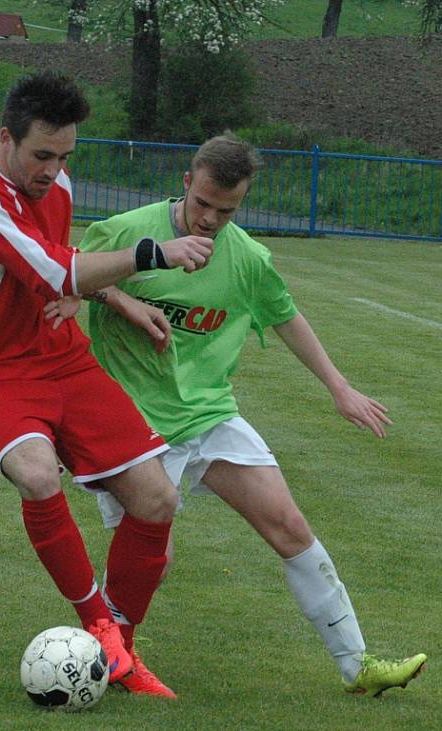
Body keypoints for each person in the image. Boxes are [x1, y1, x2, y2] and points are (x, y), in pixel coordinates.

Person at [78, 134, 427, 697]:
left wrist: (339, 388)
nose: (210, 220)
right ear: (187, 182)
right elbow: (73, 273)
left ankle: (358, 666)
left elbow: (287, 318)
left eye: (227, 210)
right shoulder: (126, 230)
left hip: (210, 416)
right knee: (154, 563)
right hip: (133, 426)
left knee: (289, 527)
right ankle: (106, 650)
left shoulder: (247, 259)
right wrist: (125, 299)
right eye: (203, 205)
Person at [0, 71, 215, 699]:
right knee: (37, 476)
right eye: (42, 155)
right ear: (5, 138)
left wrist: (109, 297)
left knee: (157, 500)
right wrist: (153, 254)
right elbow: (52, 265)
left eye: (65, 156)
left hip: (65, 361)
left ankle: (120, 646)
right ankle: (99, 624)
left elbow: (60, 266)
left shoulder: (55, 182)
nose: (54, 169)